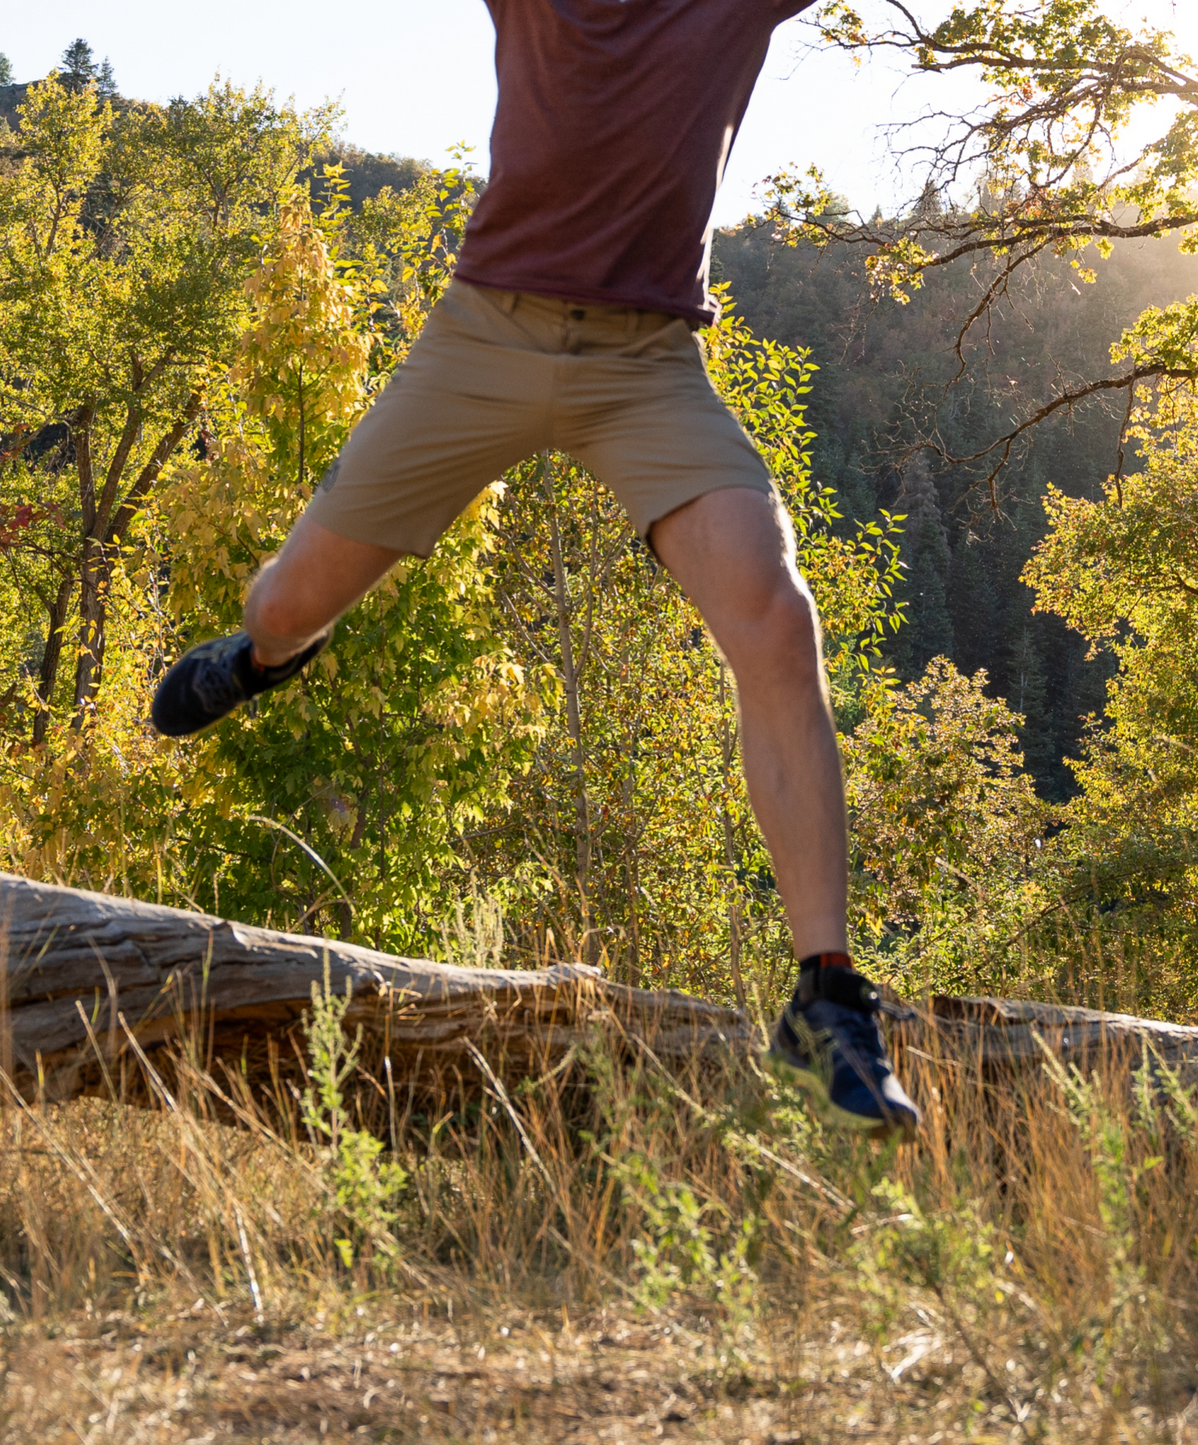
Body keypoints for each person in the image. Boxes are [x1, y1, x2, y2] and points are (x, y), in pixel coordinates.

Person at [151, 0, 921, 1141]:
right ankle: (265, 656)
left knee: (774, 615)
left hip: (646, 364)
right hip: (482, 342)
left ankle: (824, 997)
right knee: (282, 603)